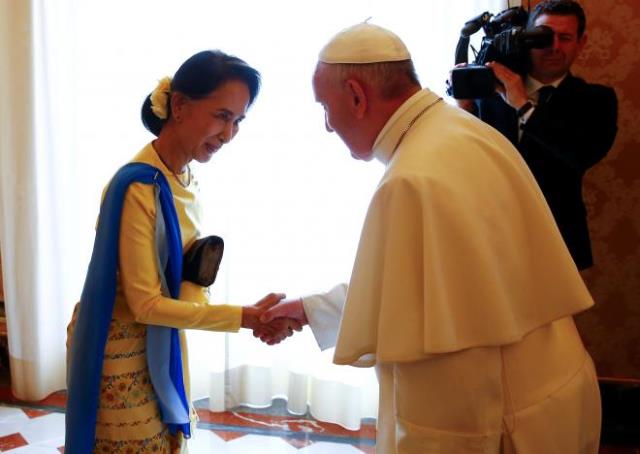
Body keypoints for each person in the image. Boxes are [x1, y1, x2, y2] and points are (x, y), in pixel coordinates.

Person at [259, 22, 602, 453]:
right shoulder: (461, 131)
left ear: (356, 95)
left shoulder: (411, 179)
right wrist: (310, 310)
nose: (328, 126)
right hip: (554, 396)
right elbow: (426, 286)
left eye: (325, 107)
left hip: (506, 425)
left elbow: (454, 369)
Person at [65, 50, 299, 453]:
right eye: (222, 116)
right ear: (179, 105)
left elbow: (184, 279)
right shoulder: (138, 187)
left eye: (238, 121)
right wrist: (244, 317)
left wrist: (244, 310)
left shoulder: (184, 177)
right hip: (119, 348)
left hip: (161, 340)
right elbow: (146, 304)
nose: (229, 134)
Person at [455, 0, 618, 271]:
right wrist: (463, 109)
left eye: (565, 38)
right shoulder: (489, 92)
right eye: (542, 36)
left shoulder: (596, 101)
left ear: (581, 42)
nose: (553, 46)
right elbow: (464, 157)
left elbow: (580, 155)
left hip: (556, 240)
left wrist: (523, 105)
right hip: (487, 237)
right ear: (525, 39)